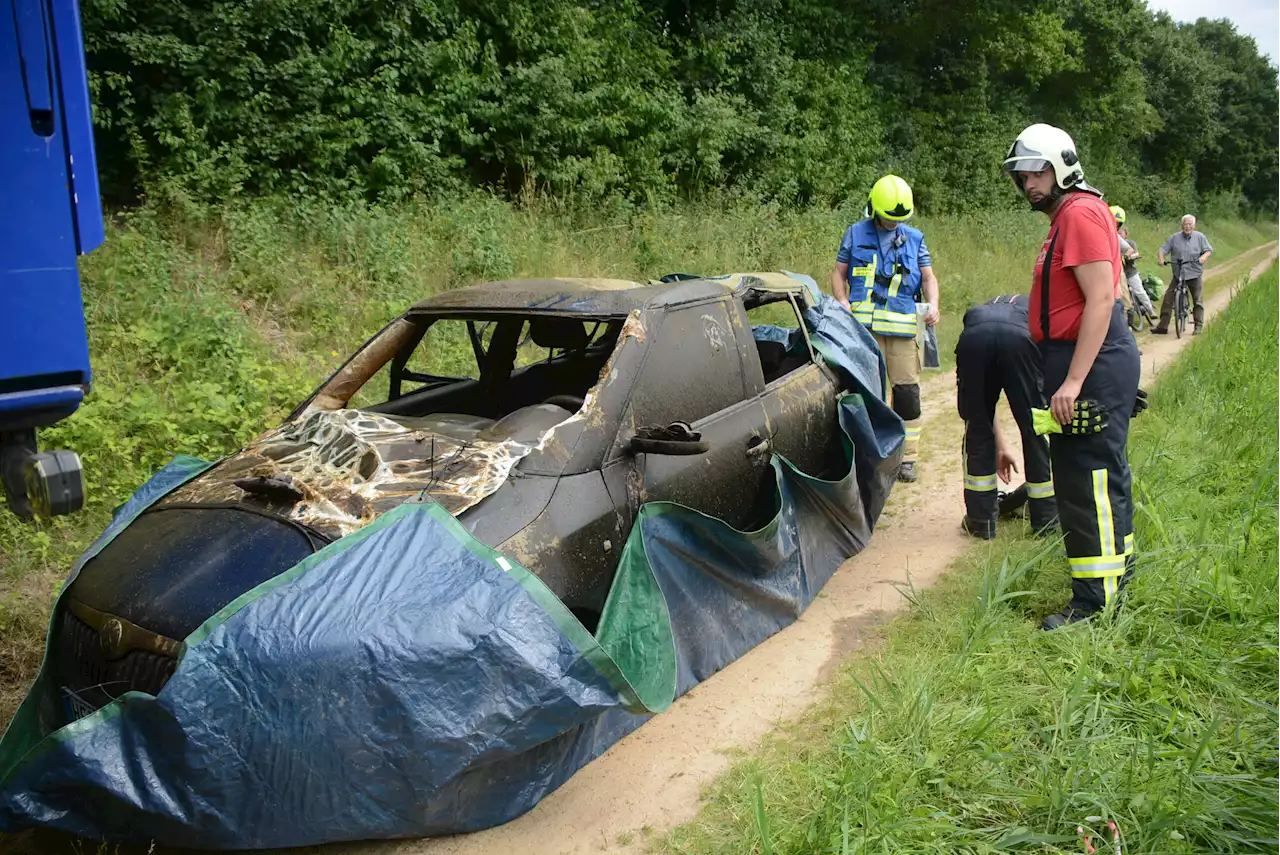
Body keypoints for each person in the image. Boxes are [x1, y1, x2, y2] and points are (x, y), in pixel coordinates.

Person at [1002, 123, 1141, 630]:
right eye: (1021, 175)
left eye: (1036, 172)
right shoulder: (1074, 215)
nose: (1028, 184)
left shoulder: (1079, 213)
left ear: (1061, 166)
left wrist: (1076, 381)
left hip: (1087, 362)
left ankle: (1094, 605)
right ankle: (1114, 582)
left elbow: (1103, 298)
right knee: (1100, 476)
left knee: (1086, 480)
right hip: (1089, 358)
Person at [831, 174, 940, 483]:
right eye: (889, 218)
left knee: (906, 394)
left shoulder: (915, 238)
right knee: (867, 395)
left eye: (899, 219)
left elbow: (929, 277)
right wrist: (841, 300)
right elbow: (839, 273)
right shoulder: (854, 234)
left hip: (903, 331)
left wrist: (933, 305)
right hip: (863, 332)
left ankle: (907, 458)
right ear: (875, 209)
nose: (894, 223)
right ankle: (869, 455)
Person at [955, 294, 1058, 539]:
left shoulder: (981, 309)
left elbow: (982, 409)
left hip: (974, 339)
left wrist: (999, 445)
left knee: (977, 425)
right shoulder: (1035, 307)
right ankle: (1046, 520)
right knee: (1036, 426)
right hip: (1020, 339)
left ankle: (981, 522)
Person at [1154, 215, 1213, 335]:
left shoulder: (1200, 237)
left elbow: (1208, 250)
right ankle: (1163, 326)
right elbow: (1163, 249)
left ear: (1194, 226)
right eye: (1185, 224)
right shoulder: (1175, 238)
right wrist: (1161, 259)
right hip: (1179, 273)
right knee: (1168, 299)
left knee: (1197, 300)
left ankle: (1198, 326)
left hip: (1194, 273)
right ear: (1182, 226)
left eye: (1190, 224)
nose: (1188, 226)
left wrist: (1203, 257)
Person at [1110, 206, 1156, 321]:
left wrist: (1129, 255)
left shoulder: (1130, 242)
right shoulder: (1110, 236)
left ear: (1126, 234)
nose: (1119, 233)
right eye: (1118, 232)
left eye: (1121, 232)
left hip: (1130, 272)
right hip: (1116, 272)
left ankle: (1150, 310)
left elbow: (1133, 251)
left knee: (1139, 291)